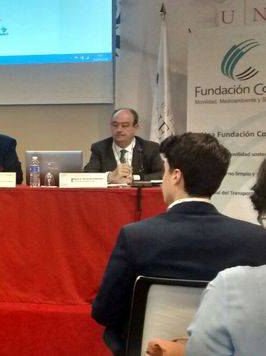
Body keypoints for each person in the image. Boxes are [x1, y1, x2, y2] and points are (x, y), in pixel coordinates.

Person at [91, 133, 266, 355]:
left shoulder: (136, 236)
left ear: (175, 176)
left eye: (164, 171)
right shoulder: (256, 239)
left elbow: (104, 312)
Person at [83, 108, 163, 184]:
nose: (119, 130)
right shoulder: (100, 148)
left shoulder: (150, 148)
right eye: (115, 125)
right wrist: (109, 177)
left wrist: (134, 178)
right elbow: (88, 174)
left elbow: (162, 173)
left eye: (124, 125)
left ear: (135, 127)